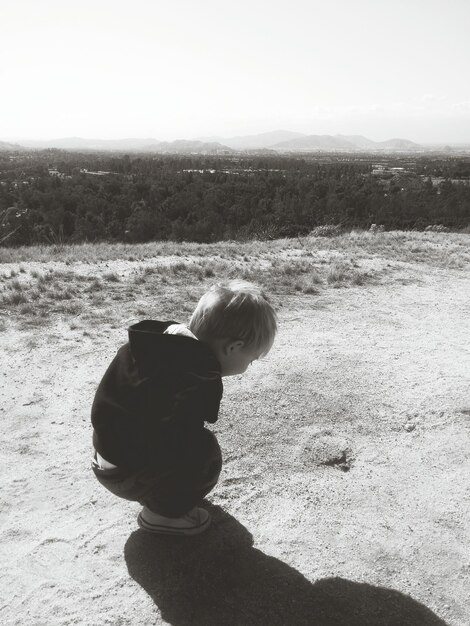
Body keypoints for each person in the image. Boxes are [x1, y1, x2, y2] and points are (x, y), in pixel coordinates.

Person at [91, 279, 277, 535]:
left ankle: (162, 495)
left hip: (103, 459)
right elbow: (184, 438)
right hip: (127, 474)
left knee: (175, 440)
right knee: (204, 453)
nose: (250, 365)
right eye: (251, 359)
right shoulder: (199, 377)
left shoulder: (152, 344)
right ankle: (162, 515)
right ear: (233, 348)